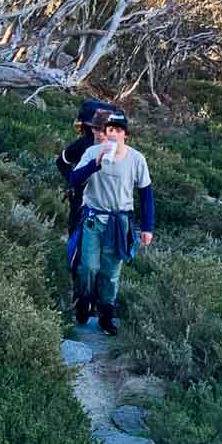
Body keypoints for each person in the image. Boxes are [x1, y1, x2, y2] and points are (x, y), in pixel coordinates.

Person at [66, 110, 154, 335]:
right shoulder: (92, 152)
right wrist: (95, 163)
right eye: (110, 130)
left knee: (110, 272)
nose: (114, 134)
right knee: (88, 267)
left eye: (118, 130)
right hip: (94, 219)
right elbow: (74, 180)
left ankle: (106, 314)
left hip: (119, 222)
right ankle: (83, 304)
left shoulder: (136, 159)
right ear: (105, 133)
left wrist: (147, 228)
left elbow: (146, 194)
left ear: (126, 134)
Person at [56, 99, 115, 311]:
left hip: (107, 209)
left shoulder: (119, 149)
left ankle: (98, 298)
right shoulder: (82, 146)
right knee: (78, 248)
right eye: (96, 128)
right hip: (80, 206)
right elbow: (61, 161)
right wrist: (73, 180)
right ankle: (82, 297)